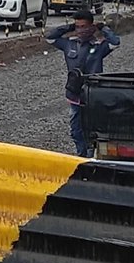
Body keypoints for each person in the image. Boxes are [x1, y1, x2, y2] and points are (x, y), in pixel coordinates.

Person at [46, 9, 121, 157]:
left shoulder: (99, 47)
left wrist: (102, 28)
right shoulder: (69, 45)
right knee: (76, 129)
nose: (81, 30)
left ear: (91, 27)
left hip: (93, 95)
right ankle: (81, 155)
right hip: (74, 95)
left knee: (92, 128)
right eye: (78, 27)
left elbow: (115, 42)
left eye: (84, 27)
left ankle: (90, 154)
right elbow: (49, 37)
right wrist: (68, 28)